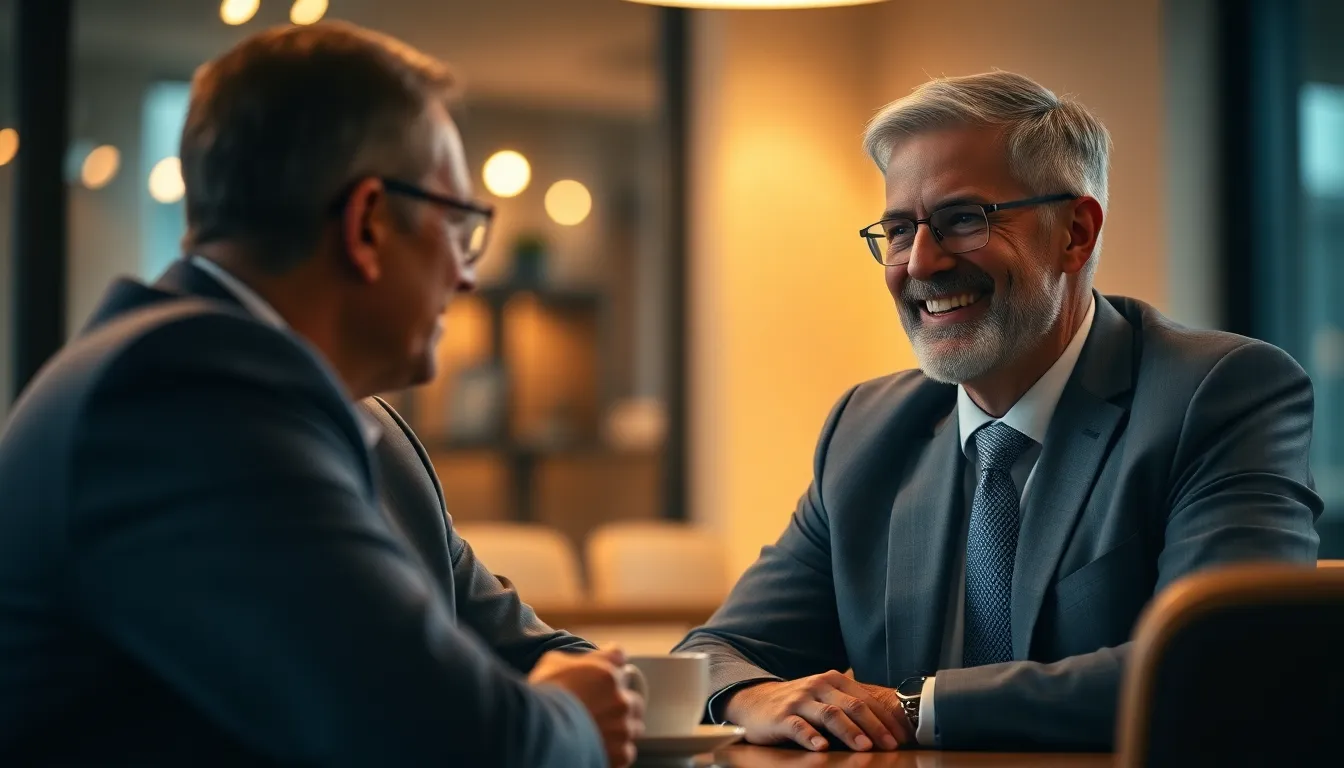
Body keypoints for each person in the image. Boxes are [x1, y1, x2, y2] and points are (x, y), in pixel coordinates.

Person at [0, 22, 642, 767]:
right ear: (367, 224)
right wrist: (573, 718)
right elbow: (448, 738)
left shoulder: (356, 422)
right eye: (457, 226)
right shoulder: (182, 399)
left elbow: (513, 652)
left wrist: (601, 695)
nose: (467, 276)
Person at [675, 71, 1322, 752]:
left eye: (963, 219)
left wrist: (914, 707)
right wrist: (757, 695)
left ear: (1075, 232)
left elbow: (1225, 662)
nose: (920, 263)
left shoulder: (1219, 393)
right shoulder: (866, 429)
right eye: (899, 230)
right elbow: (712, 656)